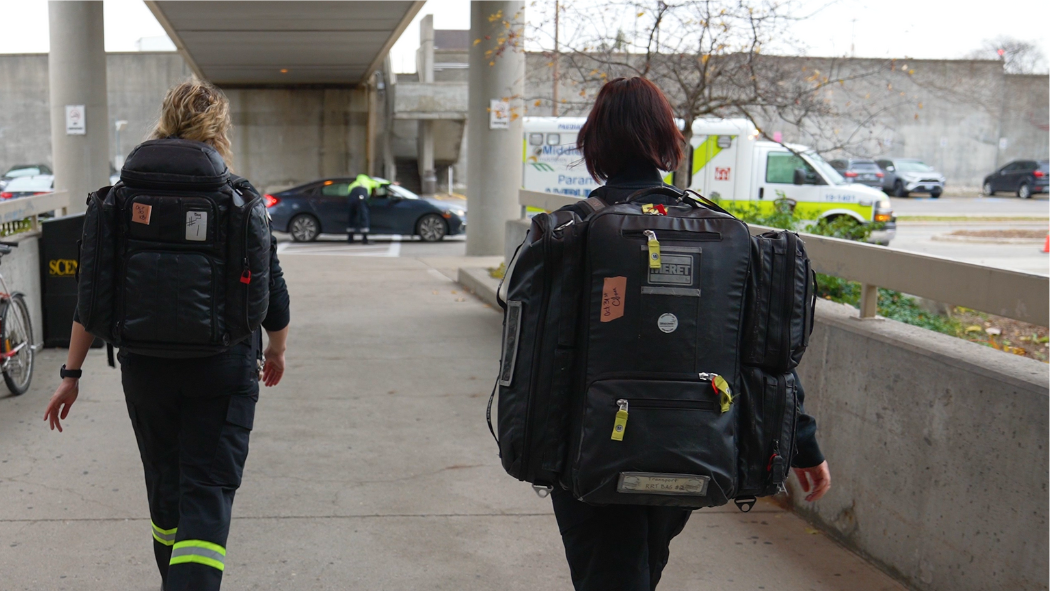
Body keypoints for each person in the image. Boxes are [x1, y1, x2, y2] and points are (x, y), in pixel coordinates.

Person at [552, 77, 832, 591]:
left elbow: (539, 356)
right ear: (665, 138)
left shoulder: (571, 231)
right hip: (691, 445)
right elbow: (764, 356)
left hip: (588, 446)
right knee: (642, 568)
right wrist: (803, 446)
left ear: (595, 141)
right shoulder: (721, 236)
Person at [43, 80, 291, 591]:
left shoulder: (117, 199)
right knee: (207, 492)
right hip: (223, 368)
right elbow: (273, 292)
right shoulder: (239, 198)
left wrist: (71, 374)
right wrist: (276, 348)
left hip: (146, 369)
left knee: (166, 487)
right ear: (218, 128)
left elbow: (91, 299)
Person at [347, 173, 373, 244]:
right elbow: (379, 184)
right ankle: (365, 239)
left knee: (352, 217)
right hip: (362, 199)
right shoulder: (369, 181)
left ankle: (350, 239)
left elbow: (349, 192)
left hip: (352, 200)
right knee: (363, 217)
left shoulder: (353, 184)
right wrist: (390, 183)